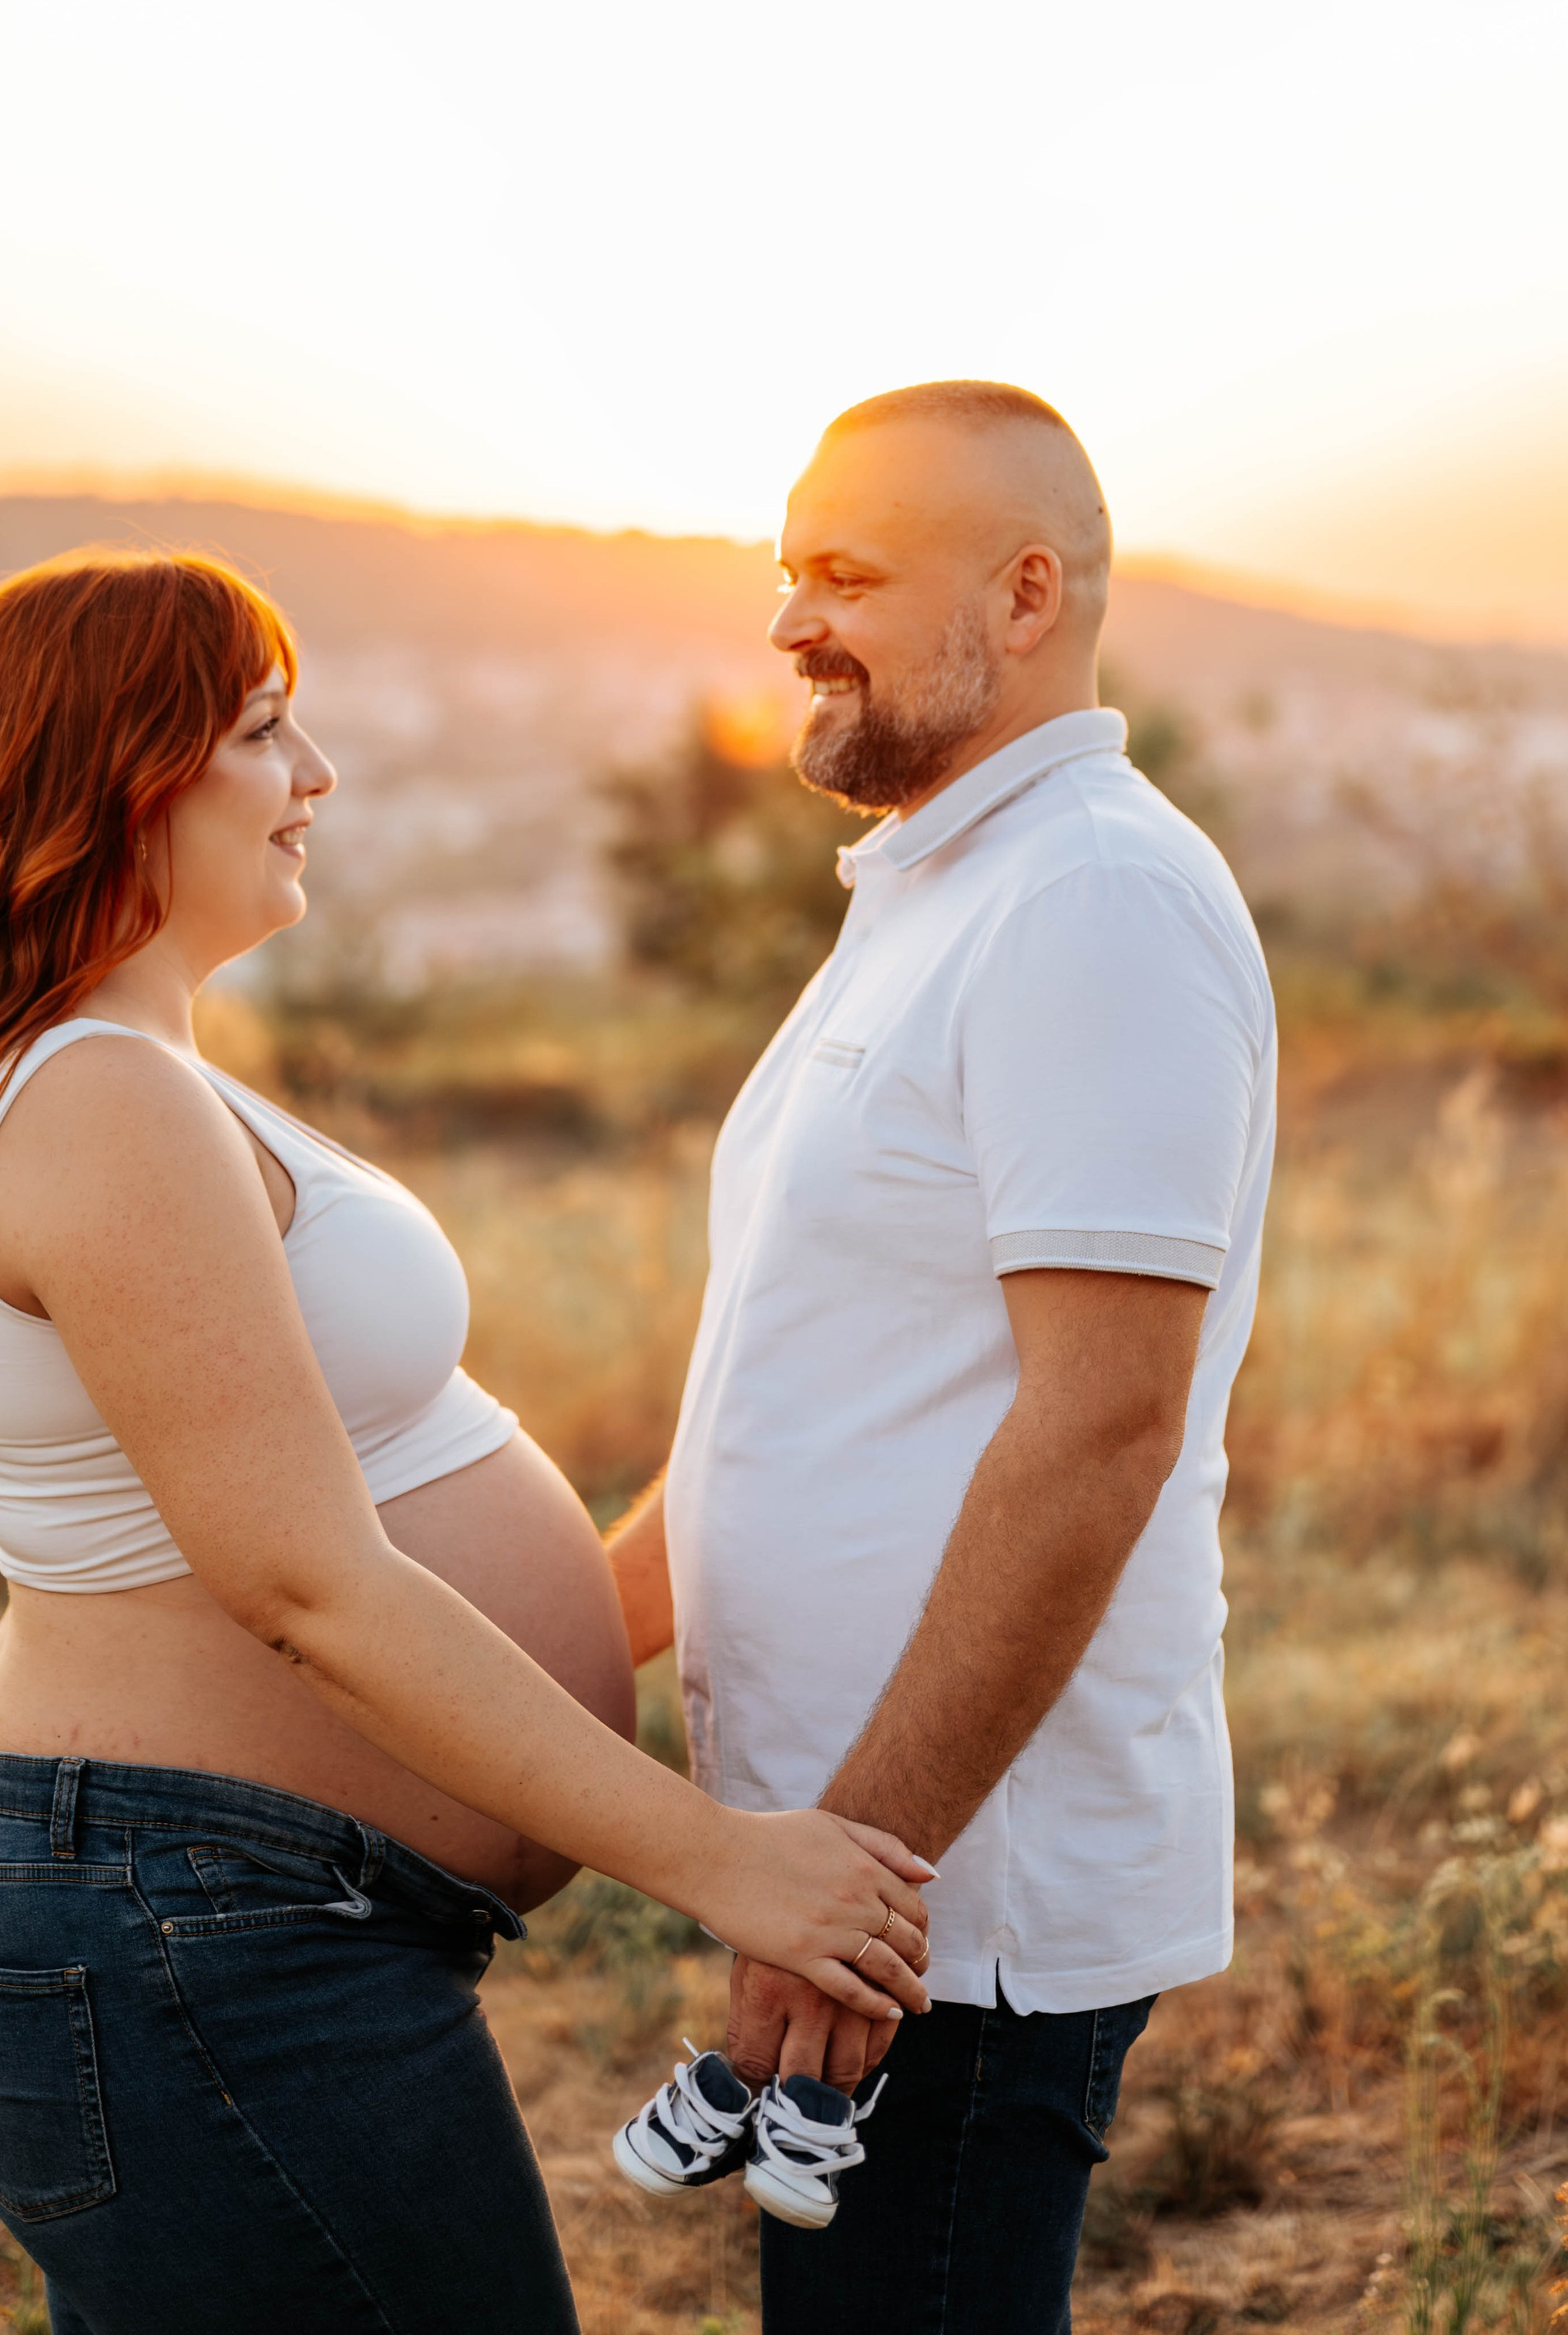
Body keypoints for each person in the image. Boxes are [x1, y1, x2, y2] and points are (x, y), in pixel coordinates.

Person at [0, 547, 931, 2335]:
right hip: (197, 1947)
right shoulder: (101, 1100)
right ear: (127, 774)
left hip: (228, 1928)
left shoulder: (132, 1073)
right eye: (265, 731)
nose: (316, 774)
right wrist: (719, 1858)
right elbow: (307, 1582)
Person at [606, 381, 1276, 2334]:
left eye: (846, 574)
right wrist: (502, 1666)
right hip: (855, 1878)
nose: (785, 620)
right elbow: (789, 1406)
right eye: (784, 568)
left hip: (949, 1917)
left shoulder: (1092, 900)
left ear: (1026, 590)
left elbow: (1095, 1432)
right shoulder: (937, 889)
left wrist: (855, 1887)